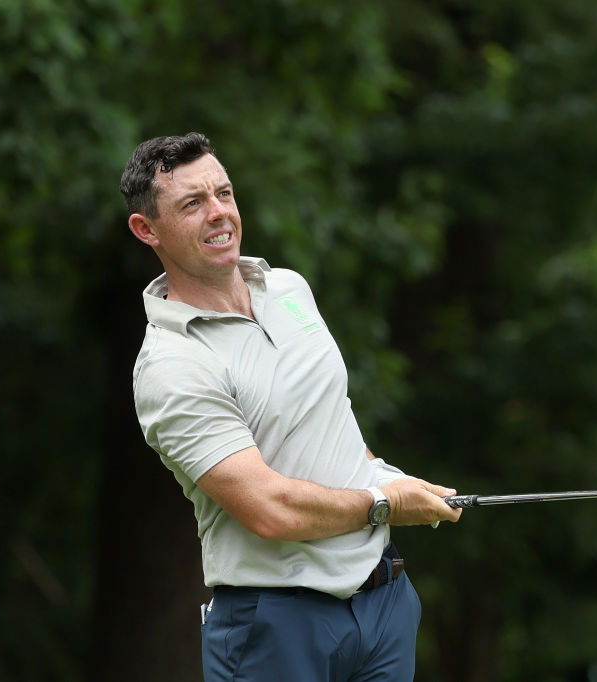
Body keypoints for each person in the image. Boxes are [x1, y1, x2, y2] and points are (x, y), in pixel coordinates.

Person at [120, 132, 462, 682]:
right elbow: (268, 510)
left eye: (224, 193)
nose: (218, 213)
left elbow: (330, 420)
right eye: (192, 203)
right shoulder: (171, 367)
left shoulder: (287, 289)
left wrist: (391, 477)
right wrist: (386, 502)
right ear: (147, 229)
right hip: (277, 624)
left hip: (384, 601)